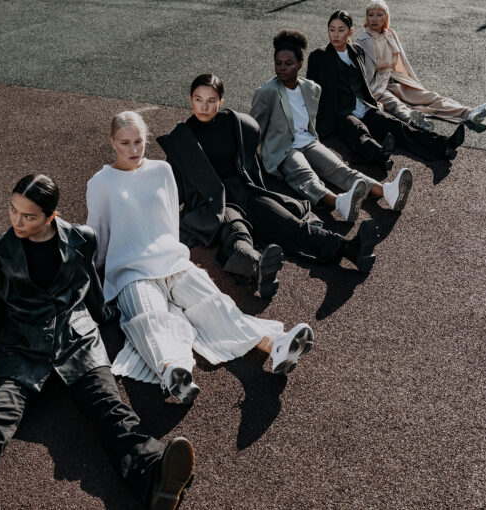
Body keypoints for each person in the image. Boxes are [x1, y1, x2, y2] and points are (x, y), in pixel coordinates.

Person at [0, 174, 194, 510]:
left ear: (51, 215)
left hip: (78, 341)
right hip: (21, 347)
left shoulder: (81, 238)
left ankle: (156, 477)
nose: (17, 221)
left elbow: (90, 285)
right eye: (13, 210)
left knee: (111, 409)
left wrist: (105, 315)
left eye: (28, 216)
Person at [85, 111, 315, 405]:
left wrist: (176, 254)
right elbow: (98, 233)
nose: (133, 149)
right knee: (150, 319)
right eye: (124, 143)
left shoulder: (162, 171)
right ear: (112, 142)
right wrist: (90, 277)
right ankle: (172, 370)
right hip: (130, 272)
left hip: (172, 261)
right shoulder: (101, 183)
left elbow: (170, 220)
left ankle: (276, 346)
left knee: (215, 304)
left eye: (138, 141)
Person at [158, 74, 381, 292]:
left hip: (244, 191)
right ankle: (257, 269)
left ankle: (350, 249)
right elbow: (171, 187)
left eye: (211, 100)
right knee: (237, 232)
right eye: (198, 99)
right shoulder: (181, 140)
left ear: (221, 101)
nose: (204, 107)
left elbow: (252, 149)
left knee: (288, 223)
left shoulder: (233, 123)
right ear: (190, 99)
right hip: (214, 203)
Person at [250, 29, 413, 218]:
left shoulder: (311, 88)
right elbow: (254, 128)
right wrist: (251, 161)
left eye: (288, 63)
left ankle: (388, 192)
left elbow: (311, 120)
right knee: (306, 176)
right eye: (278, 63)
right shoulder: (266, 92)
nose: (282, 68)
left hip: (308, 141)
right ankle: (340, 203)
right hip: (284, 149)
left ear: (300, 64)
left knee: (341, 170)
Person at [306, 10, 466, 163]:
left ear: (351, 32)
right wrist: (310, 120)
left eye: (341, 30)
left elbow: (362, 82)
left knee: (396, 125)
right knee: (358, 130)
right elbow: (310, 89)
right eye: (332, 29)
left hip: (364, 107)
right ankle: (379, 154)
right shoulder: (319, 56)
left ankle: (444, 145)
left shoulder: (357, 51)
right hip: (340, 113)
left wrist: (373, 102)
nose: (335, 34)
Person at [354, 0, 486, 132]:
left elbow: (402, 61)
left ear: (386, 17)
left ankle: (470, 113)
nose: (374, 19)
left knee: (430, 97)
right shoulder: (363, 39)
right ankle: (414, 120)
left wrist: (412, 81)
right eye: (370, 15)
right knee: (395, 104)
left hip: (396, 78)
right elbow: (358, 70)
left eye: (379, 15)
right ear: (366, 17)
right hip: (376, 84)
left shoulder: (390, 34)